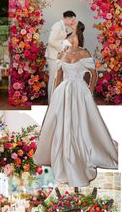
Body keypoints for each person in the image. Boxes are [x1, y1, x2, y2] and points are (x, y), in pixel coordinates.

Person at [34, 21, 118, 188]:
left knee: (81, 123)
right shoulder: (61, 54)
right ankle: (62, 156)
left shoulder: (84, 53)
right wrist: (54, 98)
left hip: (80, 91)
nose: (68, 38)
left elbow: (93, 75)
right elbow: (58, 78)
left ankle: (83, 153)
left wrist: (90, 92)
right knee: (61, 124)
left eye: (71, 34)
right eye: (67, 35)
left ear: (78, 36)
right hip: (63, 92)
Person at [45, 10, 76, 102]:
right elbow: (51, 41)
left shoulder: (63, 26)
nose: (73, 22)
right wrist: (62, 47)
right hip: (53, 55)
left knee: (57, 77)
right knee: (53, 77)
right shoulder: (57, 26)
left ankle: (56, 99)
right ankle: (51, 100)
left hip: (57, 55)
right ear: (68, 18)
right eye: (72, 20)